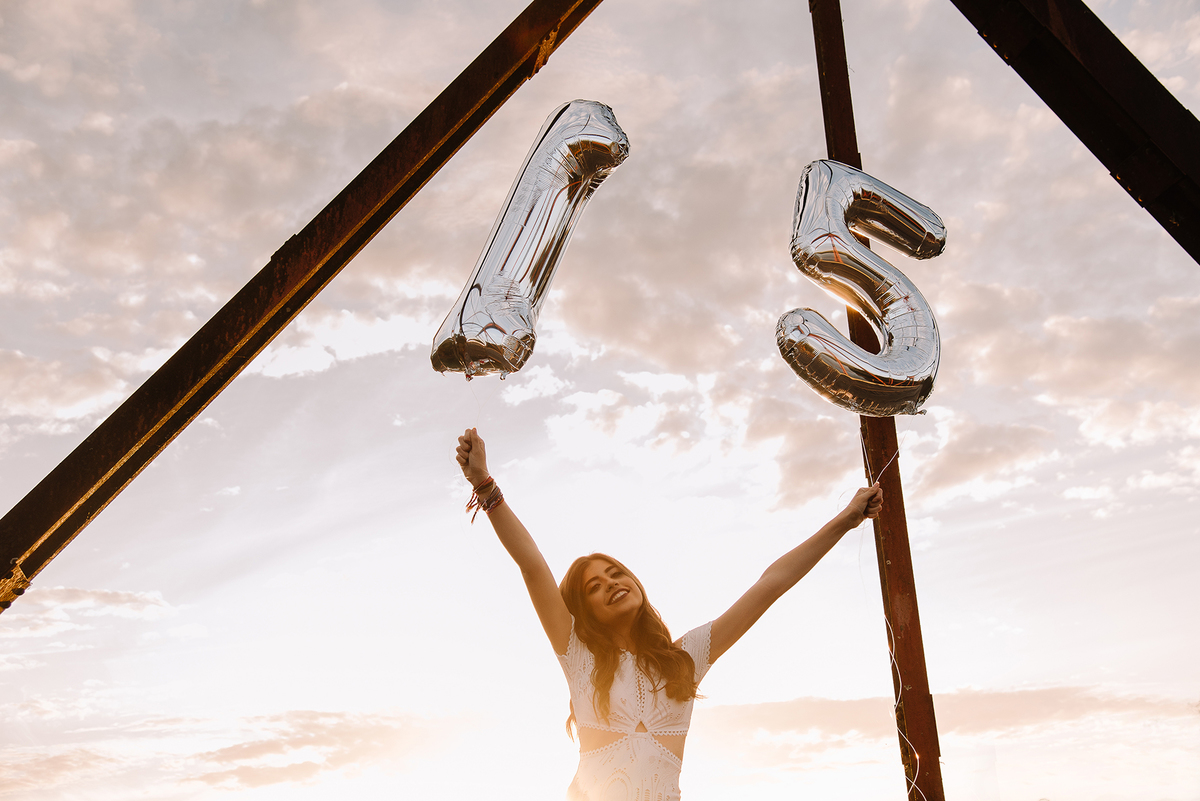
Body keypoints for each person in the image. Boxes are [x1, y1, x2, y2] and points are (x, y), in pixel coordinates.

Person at [454, 427, 883, 801]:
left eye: (616, 573)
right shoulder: (578, 656)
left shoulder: (686, 660)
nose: (612, 584)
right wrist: (485, 484)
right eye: (595, 587)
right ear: (585, 612)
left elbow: (771, 584)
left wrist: (845, 520)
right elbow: (533, 567)